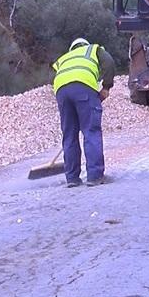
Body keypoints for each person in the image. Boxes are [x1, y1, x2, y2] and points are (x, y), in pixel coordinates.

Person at [51, 37, 115, 187]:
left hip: (61, 91)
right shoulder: (93, 49)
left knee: (69, 135)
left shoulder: (64, 58)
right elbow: (109, 63)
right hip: (84, 88)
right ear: (84, 45)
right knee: (91, 131)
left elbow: (54, 79)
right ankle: (94, 176)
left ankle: (72, 178)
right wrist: (106, 87)